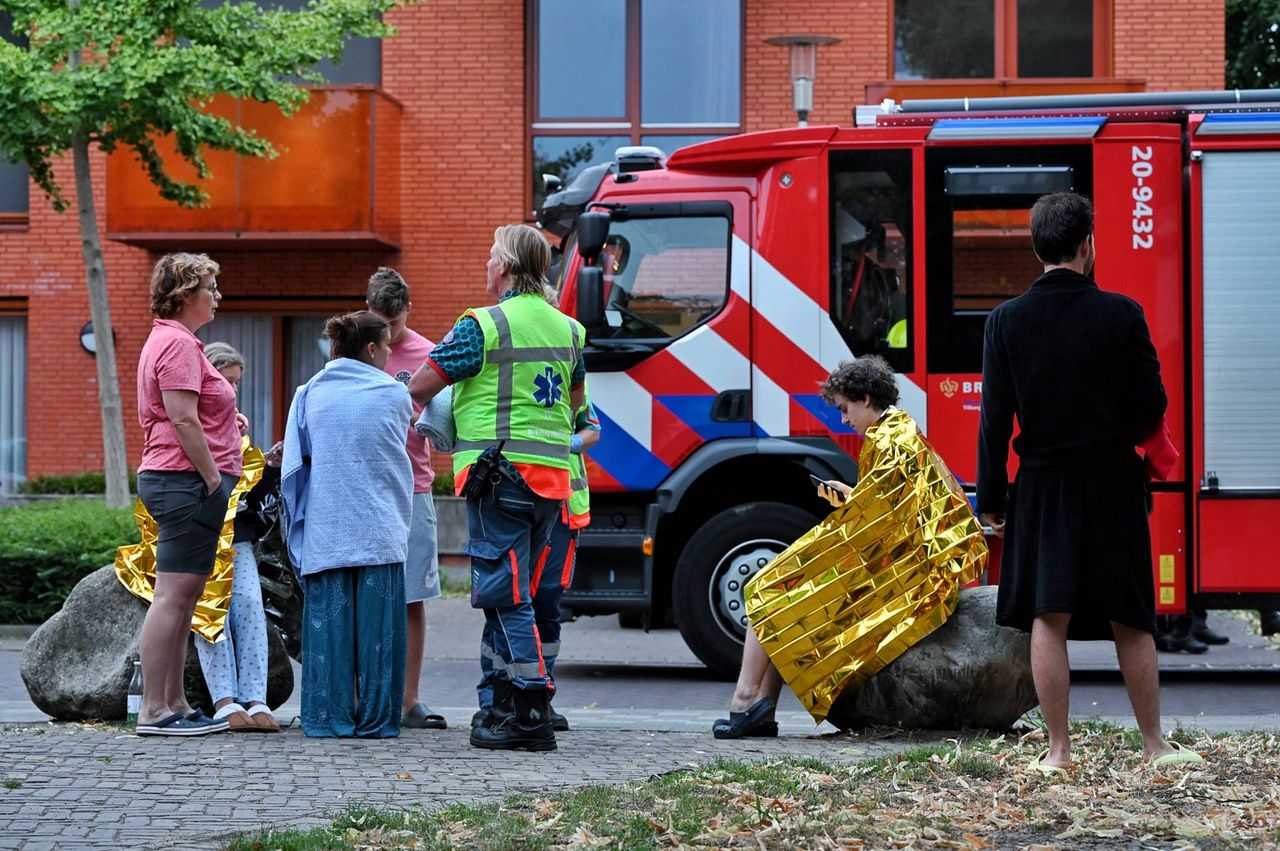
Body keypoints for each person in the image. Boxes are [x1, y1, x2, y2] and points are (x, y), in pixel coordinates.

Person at [977, 191, 1203, 771]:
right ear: (1088, 246)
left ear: (1037, 249)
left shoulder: (1004, 322)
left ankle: (1057, 752)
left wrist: (992, 499)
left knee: (1048, 617)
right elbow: (1151, 402)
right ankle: (1154, 746)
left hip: (1044, 485)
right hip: (1112, 482)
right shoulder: (1123, 314)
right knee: (1131, 616)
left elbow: (995, 421)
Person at [715, 356, 988, 738]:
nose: (844, 420)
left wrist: (851, 505)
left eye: (845, 409)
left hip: (907, 570)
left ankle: (747, 698)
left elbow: (880, 518)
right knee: (781, 592)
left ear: (864, 398)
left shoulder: (890, 439)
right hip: (913, 563)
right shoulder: (899, 432)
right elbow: (887, 508)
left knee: (766, 586)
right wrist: (850, 498)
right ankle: (762, 706)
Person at [409, 223, 585, 752]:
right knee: (515, 596)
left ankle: (529, 705)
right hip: (552, 484)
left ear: (505, 265)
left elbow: (421, 385)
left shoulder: (481, 326)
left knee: (505, 597)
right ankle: (502, 705)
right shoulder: (570, 330)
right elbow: (575, 410)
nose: (486, 265)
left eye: (490, 256)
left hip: (499, 475)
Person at [281, 311, 414, 738]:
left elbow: (293, 469)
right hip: (379, 530)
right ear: (372, 349)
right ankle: (377, 721)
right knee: (379, 641)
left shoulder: (308, 393)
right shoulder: (394, 394)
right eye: (388, 346)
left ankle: (325, 718)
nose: (392, 353)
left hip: (328, 530)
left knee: (329, 639)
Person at [134, 252, 241, 737]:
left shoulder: (179, 342)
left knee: (184, 596)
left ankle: (174, 702)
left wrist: (225, 425)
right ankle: (154, 710)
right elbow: (181, 418)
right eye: (210, 288)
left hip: (185, 479)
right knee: (172, 597)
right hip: (184, 481)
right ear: (184, 296)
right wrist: (212, 476)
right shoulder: (176, 344)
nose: (217, 296)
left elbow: (195, 412)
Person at [472, 390, 600, 733]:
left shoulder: (569, 381)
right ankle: (496, 698)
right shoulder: (514, 383)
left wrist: (569, 443)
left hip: (563, 511)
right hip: (523, 499)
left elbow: (592, 429)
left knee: (545, 606)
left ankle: (540, 697)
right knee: (506, 597)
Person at [365, 268, 447, 731]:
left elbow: (444, 419)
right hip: (366, 489)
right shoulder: (355, 348)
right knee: (365, 593)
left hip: (413, 486)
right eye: (380, 321)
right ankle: (364, 694)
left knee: (412, 597)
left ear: (407, 313)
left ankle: (409, 699)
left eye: (394, 323)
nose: (388, 333)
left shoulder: (427, 353)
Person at [192, 342, 281, 733]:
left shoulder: (237, 428)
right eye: (226, 382)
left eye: (237, 383)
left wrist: (270, 469)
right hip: (201, 532)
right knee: (212, 608)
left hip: (237, 536)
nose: (232, 391)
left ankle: (256, 697)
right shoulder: (192, 422)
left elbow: (251, 499)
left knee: (248, 603)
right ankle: (224, 700)